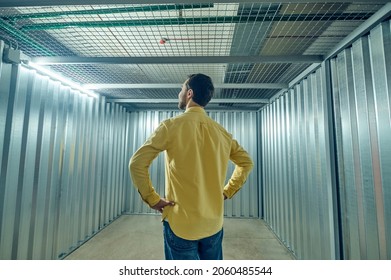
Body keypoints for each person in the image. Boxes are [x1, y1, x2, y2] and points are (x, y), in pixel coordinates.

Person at [129, 73, 253, 260]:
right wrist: (227, 191)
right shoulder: (222, 133)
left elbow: (137, 163)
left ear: (189, 93)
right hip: (213, 225)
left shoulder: (171, 126)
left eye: (182, 88)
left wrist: (152, 199)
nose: (179, 93)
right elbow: (246, 163)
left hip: (181, 225)